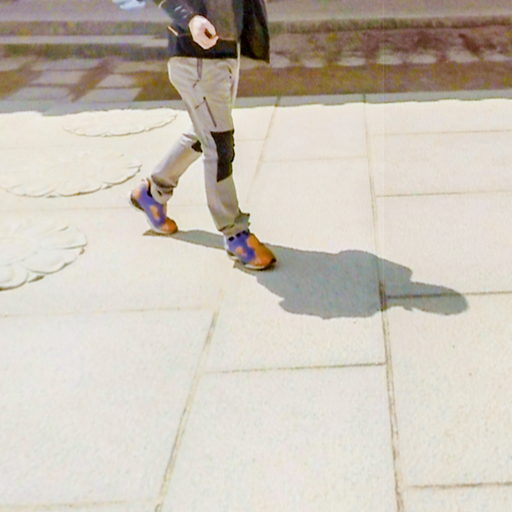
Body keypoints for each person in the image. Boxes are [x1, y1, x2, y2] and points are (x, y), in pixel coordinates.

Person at [113, 0, 276, 270]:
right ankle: (234, 233)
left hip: (226, 49)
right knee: (219, 144)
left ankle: (152, 192)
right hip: (195, 56)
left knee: (206, 133)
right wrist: (190, 18)